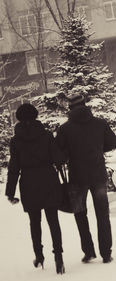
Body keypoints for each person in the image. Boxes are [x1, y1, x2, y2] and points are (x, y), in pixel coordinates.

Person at [55, 94, 116, 264]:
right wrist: (98, 150)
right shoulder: (100, 123)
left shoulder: (65, 129)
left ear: (70, 109)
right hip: (98, 174)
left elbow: (58, 155)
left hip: (77, 177)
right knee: (102, 215)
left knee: (80, 213)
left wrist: (70, 154)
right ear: (85, 105)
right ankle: (106, 253)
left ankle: (88, 251)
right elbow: (113, 143)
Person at [5, 103, 65, 274]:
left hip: (29, 183)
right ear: (36, 115)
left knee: (34, 222)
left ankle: (39, 255)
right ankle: (58, 256)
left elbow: (14, 167)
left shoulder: (16, 141)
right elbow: (59, 159)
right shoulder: (46, 135)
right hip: (48, 179)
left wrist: (10, 192)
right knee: (53, 220)